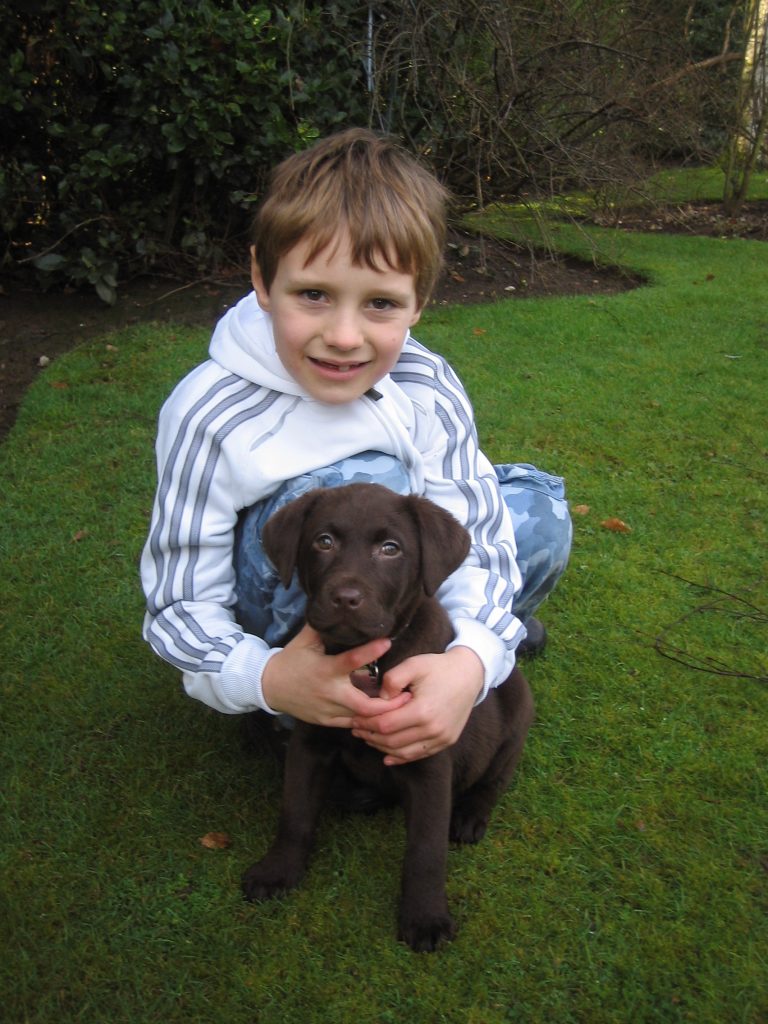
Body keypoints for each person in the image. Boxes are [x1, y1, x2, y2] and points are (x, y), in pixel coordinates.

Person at [140, 127, 571, 767]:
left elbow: (476, 532)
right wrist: (259, 677)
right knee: (365, 481)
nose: (344, 336)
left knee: (537, 514)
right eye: (313, 295)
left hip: (394, 595)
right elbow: (179, 607)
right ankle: (302, 703)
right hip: (285, 608)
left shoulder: (426, 384)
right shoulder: (211, 414)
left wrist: (471, 663)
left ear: (419, 300)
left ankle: (438, 659)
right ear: (262, 277)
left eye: (380, 304)